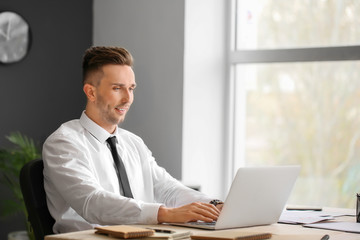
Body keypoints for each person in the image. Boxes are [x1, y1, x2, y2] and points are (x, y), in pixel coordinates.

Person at [43, 46, 223, 233]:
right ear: (91, 92)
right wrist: (165, 214)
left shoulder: (133, 143)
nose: (128, 98)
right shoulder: (63, 143)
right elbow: (92, 202)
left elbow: (167, 188)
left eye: (131, 88)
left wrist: (214, 205)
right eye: (117, 88)